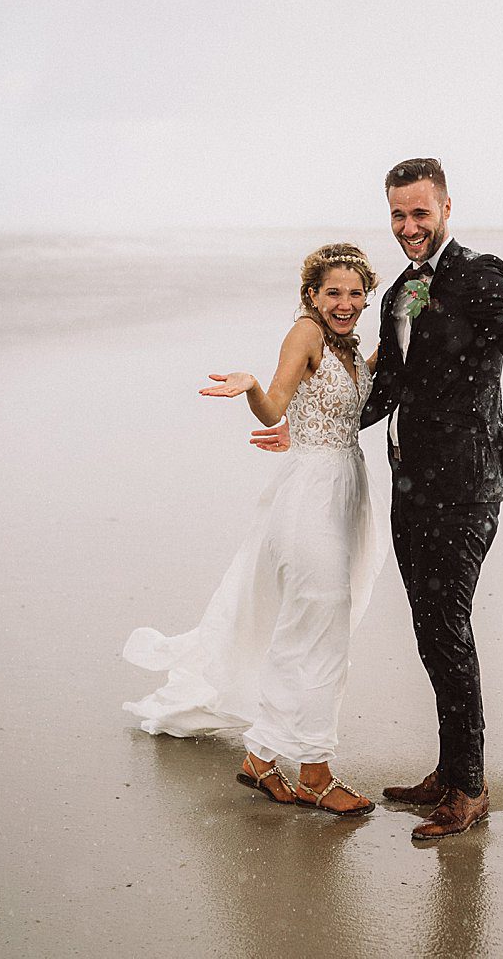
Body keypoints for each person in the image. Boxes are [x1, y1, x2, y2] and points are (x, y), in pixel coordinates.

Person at [255, 159, 503, 840]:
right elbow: (389, 387)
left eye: (420, 213)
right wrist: (313, 424)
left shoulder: (480, 273)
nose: (409, 227)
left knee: (448, 629)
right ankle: (450, 767)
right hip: (410, 487)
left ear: (446, 209)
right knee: (431, 632)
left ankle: (468, 789)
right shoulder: (400, 289)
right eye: (399, 215)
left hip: (464, 487)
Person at [122, 243, 387, 816]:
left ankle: (262, 759)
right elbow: (276, 408)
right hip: (313, 496)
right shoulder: (305, 336)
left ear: (366, 296)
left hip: (345, 489)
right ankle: (312, 770)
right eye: (332, 292)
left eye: (354, 292)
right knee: (317, 632)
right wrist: (249, 389)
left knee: (317, 629)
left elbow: (347, 409)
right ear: (311, 296)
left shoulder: (351, 346)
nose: (344, 303)